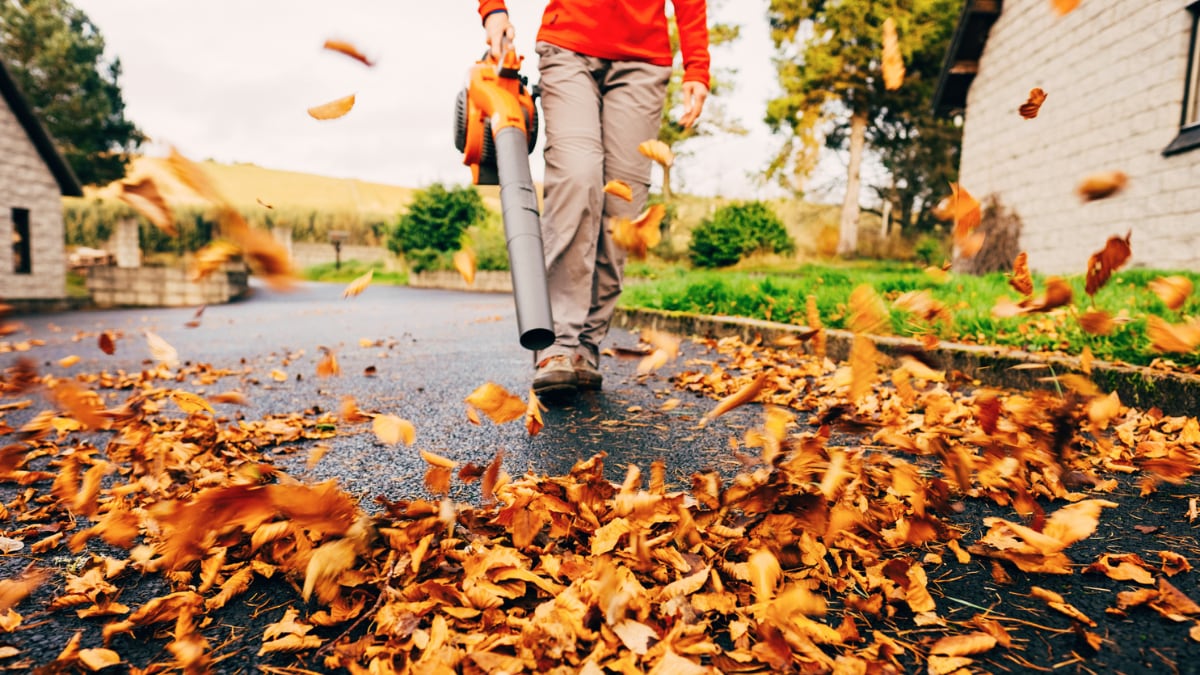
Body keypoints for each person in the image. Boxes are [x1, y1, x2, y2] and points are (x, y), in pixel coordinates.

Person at [478, 0, 710, 400]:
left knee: (624, 205)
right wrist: (493, 9)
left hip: (644, 60)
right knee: (578, 177)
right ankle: (557, 345)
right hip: (569, 42)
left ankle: (586, 346)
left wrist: (697, 64)